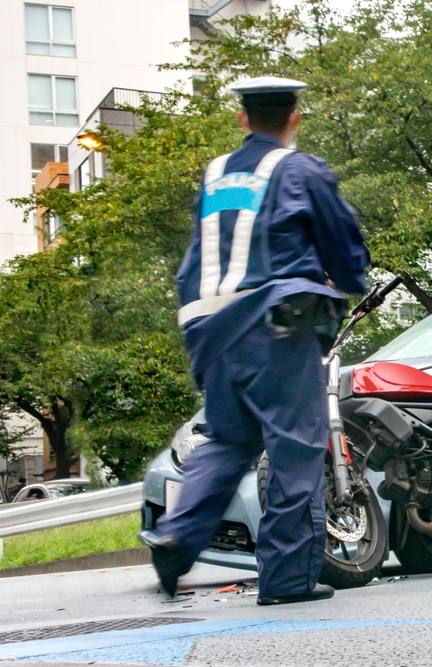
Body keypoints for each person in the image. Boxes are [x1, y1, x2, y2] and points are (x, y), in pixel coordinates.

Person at [140, 76, 369, 606]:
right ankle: (288, 579)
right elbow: (343, 246)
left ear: (243, 119)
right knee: (295, 449)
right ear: (295, 118)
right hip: (275, 326)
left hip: (209, 329)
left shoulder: (215, 175)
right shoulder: (298, 168)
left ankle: (178, 536)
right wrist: (348, 280)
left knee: (227, 439)